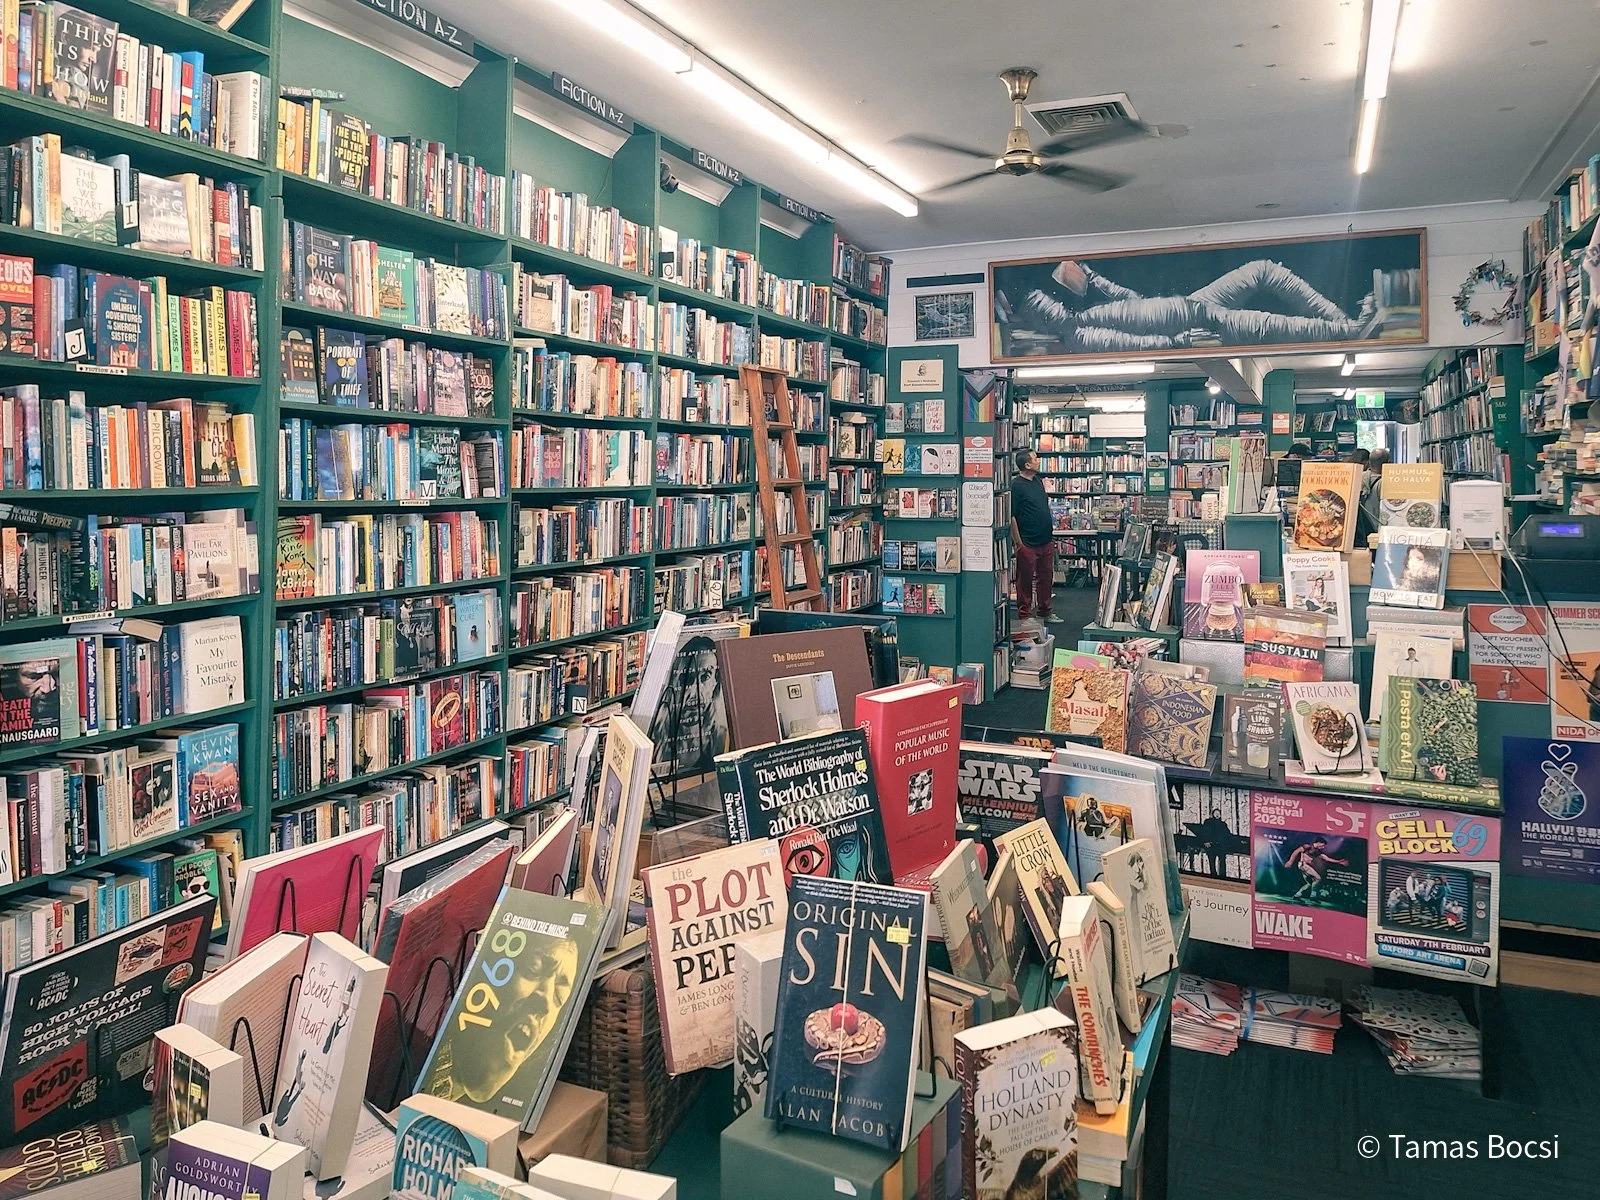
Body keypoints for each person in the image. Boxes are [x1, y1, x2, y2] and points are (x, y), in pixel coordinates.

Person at [1010, 448, 1054, 625]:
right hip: (1027, 542)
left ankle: (1045, 611)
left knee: (1046, 578)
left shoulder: (1037, 481)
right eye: (1035, 459)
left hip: (1045, 539)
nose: (1038, 460)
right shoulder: (1016, 486)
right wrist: (1018, 543)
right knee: (1025, 580)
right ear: (1027, 465)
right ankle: (1025, 615)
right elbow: (1012, 515)